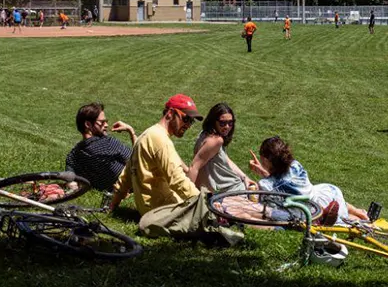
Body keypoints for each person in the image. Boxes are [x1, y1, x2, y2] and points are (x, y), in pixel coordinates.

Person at [109, 94, 242, 246]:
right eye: (185, 119)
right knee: (218, 221)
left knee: (220, 209)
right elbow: (177, 180)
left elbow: (126, 175)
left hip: (154, 210)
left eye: (191, 121)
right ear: (170, 113)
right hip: (165, 210)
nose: (188, 125)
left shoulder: (147, 134)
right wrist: (205, 206)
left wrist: (113, 205)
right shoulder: (161, 140)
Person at [248, 136, 368, 225]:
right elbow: (283, 181)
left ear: (266, 160)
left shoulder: (265, 185)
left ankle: (355, 218)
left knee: (340, 220)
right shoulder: (295, 165)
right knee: (342, 216)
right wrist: (263, 171)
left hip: (307, 211)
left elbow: (272, 189)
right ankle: (361, 215)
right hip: (327, 196)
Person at [65, 102, 137, 191]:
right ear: (88, 124)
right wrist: (131, 131)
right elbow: (139, 161)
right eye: (102, 122)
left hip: (111, 189)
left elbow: (69, 172)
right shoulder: (108, 144)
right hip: (134, 186)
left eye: (106, 121)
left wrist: (71, 183)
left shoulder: (75, 154)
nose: (106, 125)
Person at [188, 103, 256, 193]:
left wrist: (244, 177)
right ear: (213, 121)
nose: (227, 127)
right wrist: (188, 196)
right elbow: (194, 168)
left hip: (232, 187)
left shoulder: (205, 134)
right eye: (222, 123)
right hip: (230, 192)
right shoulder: (216, 140)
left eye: (230, 123)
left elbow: (226, 160)